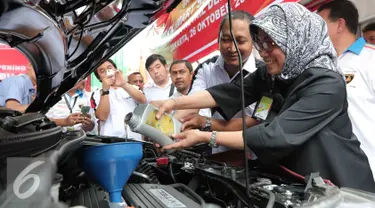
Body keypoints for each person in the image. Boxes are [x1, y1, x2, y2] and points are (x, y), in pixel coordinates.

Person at [152, 3, 375, 191]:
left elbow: (273, 135)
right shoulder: (275, 74)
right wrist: (173, 102)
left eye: (271, 43)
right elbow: (227, 93)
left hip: (343, 185)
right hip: (300, 182)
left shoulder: (327, 84)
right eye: (260, 43)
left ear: (296, 39)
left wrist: (206, 136)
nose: (263, 52)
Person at [176, 11, 261, 133]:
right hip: (217, 149)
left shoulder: (265, 75)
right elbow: (191, 104)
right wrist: (166, 126)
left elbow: (257, 121)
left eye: (240, 41)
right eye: (226, 40)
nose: (232, 48)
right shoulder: (206, 69)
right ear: (218, 40)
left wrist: (207, 123)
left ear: (254, 41)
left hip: (253, 149)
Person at [318, 0, 375, 179]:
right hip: (337, 173)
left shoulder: (369, 59)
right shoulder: (322, 65)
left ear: (340, 25)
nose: (315, 30)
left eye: (321, 24)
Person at [91, 59, 146, 140]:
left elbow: (143, 100)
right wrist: (105, 90)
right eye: (102, 71)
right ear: (99, 78)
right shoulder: (96, 93)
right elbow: (102, 116)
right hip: (111, 140)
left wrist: (123, 84)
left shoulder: (131, 88)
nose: (107, 73)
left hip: (134, 138)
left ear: (115, 70)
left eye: (110, 68)